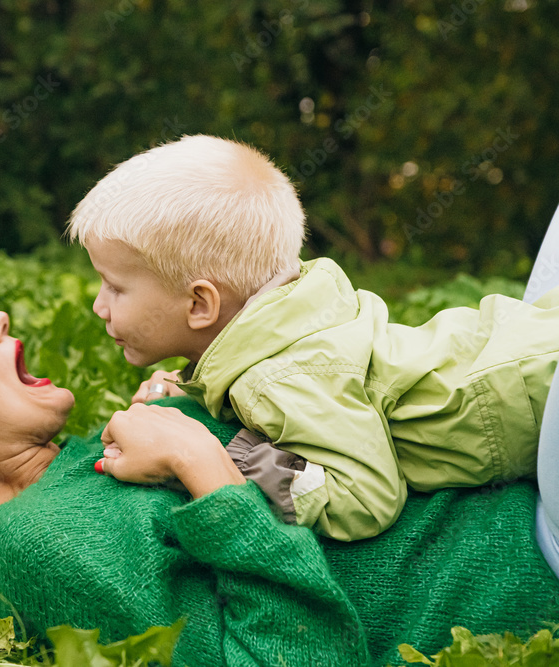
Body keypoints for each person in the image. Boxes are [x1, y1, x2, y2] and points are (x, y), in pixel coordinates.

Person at [0, 283, 559, 666]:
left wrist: (210, 415)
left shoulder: (78, 476)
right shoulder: (40, 547)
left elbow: (309, 481)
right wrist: (203, 466)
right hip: (531, 541)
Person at [67, 134, 559, 541]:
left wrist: (234, 452)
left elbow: (367, 499)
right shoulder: (298, 308)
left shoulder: (281, 378)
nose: (99, 305)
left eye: (116, 286)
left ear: (200, 305)